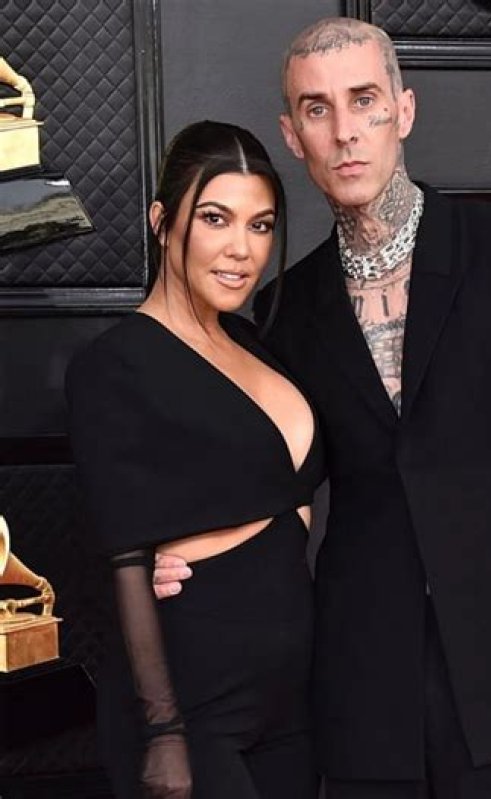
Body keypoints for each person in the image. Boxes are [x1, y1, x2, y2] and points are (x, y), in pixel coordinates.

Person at [156, 17, 491, 798]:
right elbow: (270, 490)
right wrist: (182, 553)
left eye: (364, 100)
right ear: (292, 134)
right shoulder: (284, 310)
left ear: (403, 111)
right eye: (317, 109)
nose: (344, 131)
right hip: (363, 679)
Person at [66, 120, 323, 799]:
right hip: (195, 712)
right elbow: (125, 558)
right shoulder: (113, 366)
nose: (242, 248)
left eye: (260, 225)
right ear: (162, 221)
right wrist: (164, 732)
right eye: (215, 218)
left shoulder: (257, 343)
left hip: (293, 706)